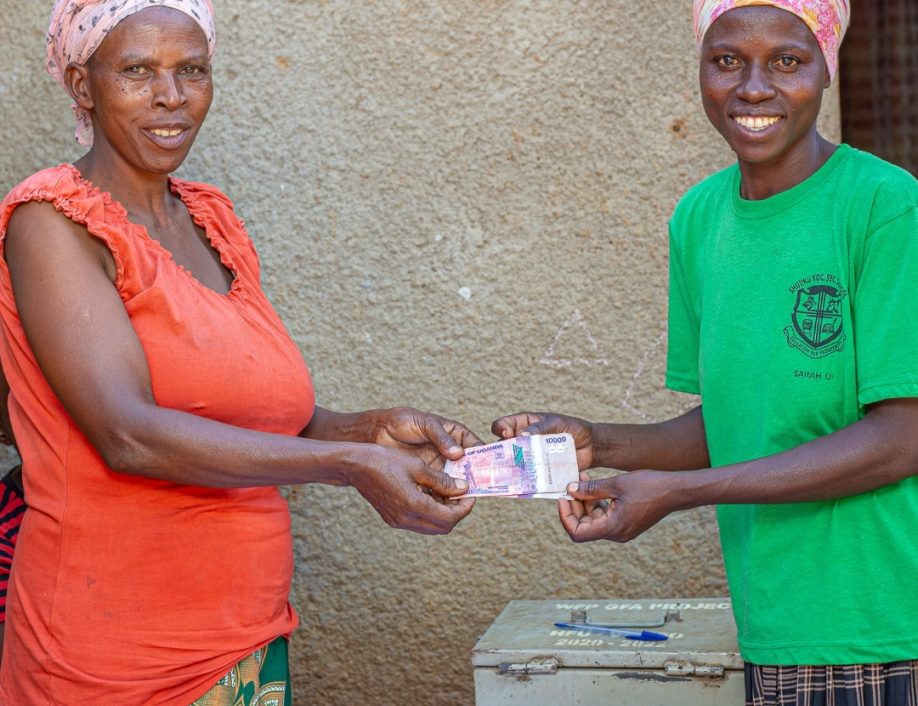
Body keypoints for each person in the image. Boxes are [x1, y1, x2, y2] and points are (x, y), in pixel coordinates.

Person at [0, 1, 477, 703]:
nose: (172, 97)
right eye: (137, 70)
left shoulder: (209, 218)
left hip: (246, 645)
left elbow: (254, 411)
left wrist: (370, 430)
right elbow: (127, 433)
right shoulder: (52, 223)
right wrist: (349, 464)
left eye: (192, 70)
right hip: (115, 659)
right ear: (82, 85)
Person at [494, 1, 918, 704]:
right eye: (727, 60)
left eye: (787, 59)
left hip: (878, 622)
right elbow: (733, 419)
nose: (753, 88)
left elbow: (902, 438)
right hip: (772, 622)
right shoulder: (699, 220)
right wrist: (596, 444)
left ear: (826, 70)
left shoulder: (884, 206)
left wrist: (677, 495)